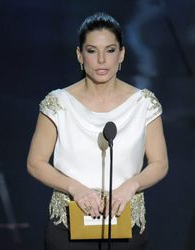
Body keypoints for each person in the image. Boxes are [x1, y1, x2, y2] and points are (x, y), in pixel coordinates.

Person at [27, 12, 168, 250]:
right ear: (80, 55)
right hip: (68, 227)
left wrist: (130, 186)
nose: (102, 60)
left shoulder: (143, 103)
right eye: (92, 51)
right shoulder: (58, 103)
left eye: (110, 50)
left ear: (121, 54)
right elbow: (35, 162)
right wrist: (75, 188)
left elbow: (159, 163)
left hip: (125, 225)